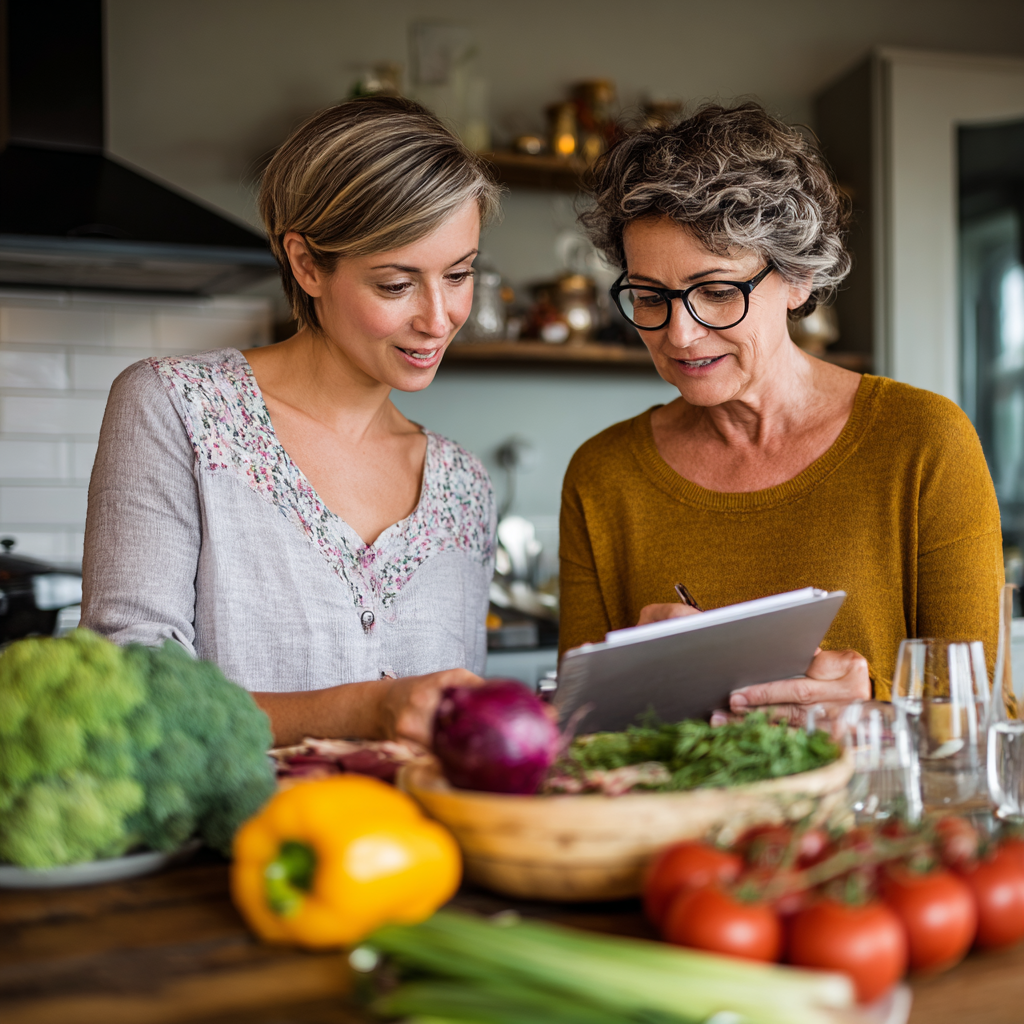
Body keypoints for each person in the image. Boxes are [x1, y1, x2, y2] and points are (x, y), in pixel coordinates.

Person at [560, 102, 1002, 720]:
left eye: (717, 292)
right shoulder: (602, 474)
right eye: (650, 297)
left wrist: (872, 700)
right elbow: (571, 735)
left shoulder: (923, 441)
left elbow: (989, 713)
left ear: (796, 278)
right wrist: (632, 679)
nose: (681, 334)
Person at [82, 97, 503, 746]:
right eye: (397, 284)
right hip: (237, 848)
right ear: (307, 264)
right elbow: (131, 694)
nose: (439, 317)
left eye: (459, 274)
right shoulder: (178, 409)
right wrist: (364, 711)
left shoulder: (463, 487)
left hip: (417, 850)